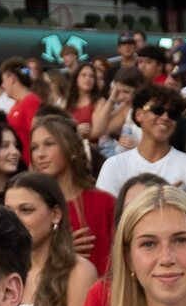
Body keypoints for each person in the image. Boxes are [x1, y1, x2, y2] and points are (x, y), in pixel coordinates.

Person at [4, 171, 96, 306]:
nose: (16, 221)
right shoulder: (9, 272)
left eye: (26, 210)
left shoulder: (78, 271)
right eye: (9, 212)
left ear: (56, 214)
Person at [27, 112, 118, 268]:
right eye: (34, 148)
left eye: (49, 144)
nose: (40, 154)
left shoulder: (105, 203)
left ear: (73, 149)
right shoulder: (28, 207)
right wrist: (58, 253)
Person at [95, 85, 186, 199]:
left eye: (173, 113)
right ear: (139, 114)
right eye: (157, 109)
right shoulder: (114, 166)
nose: (165, 117)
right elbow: (104, 214)